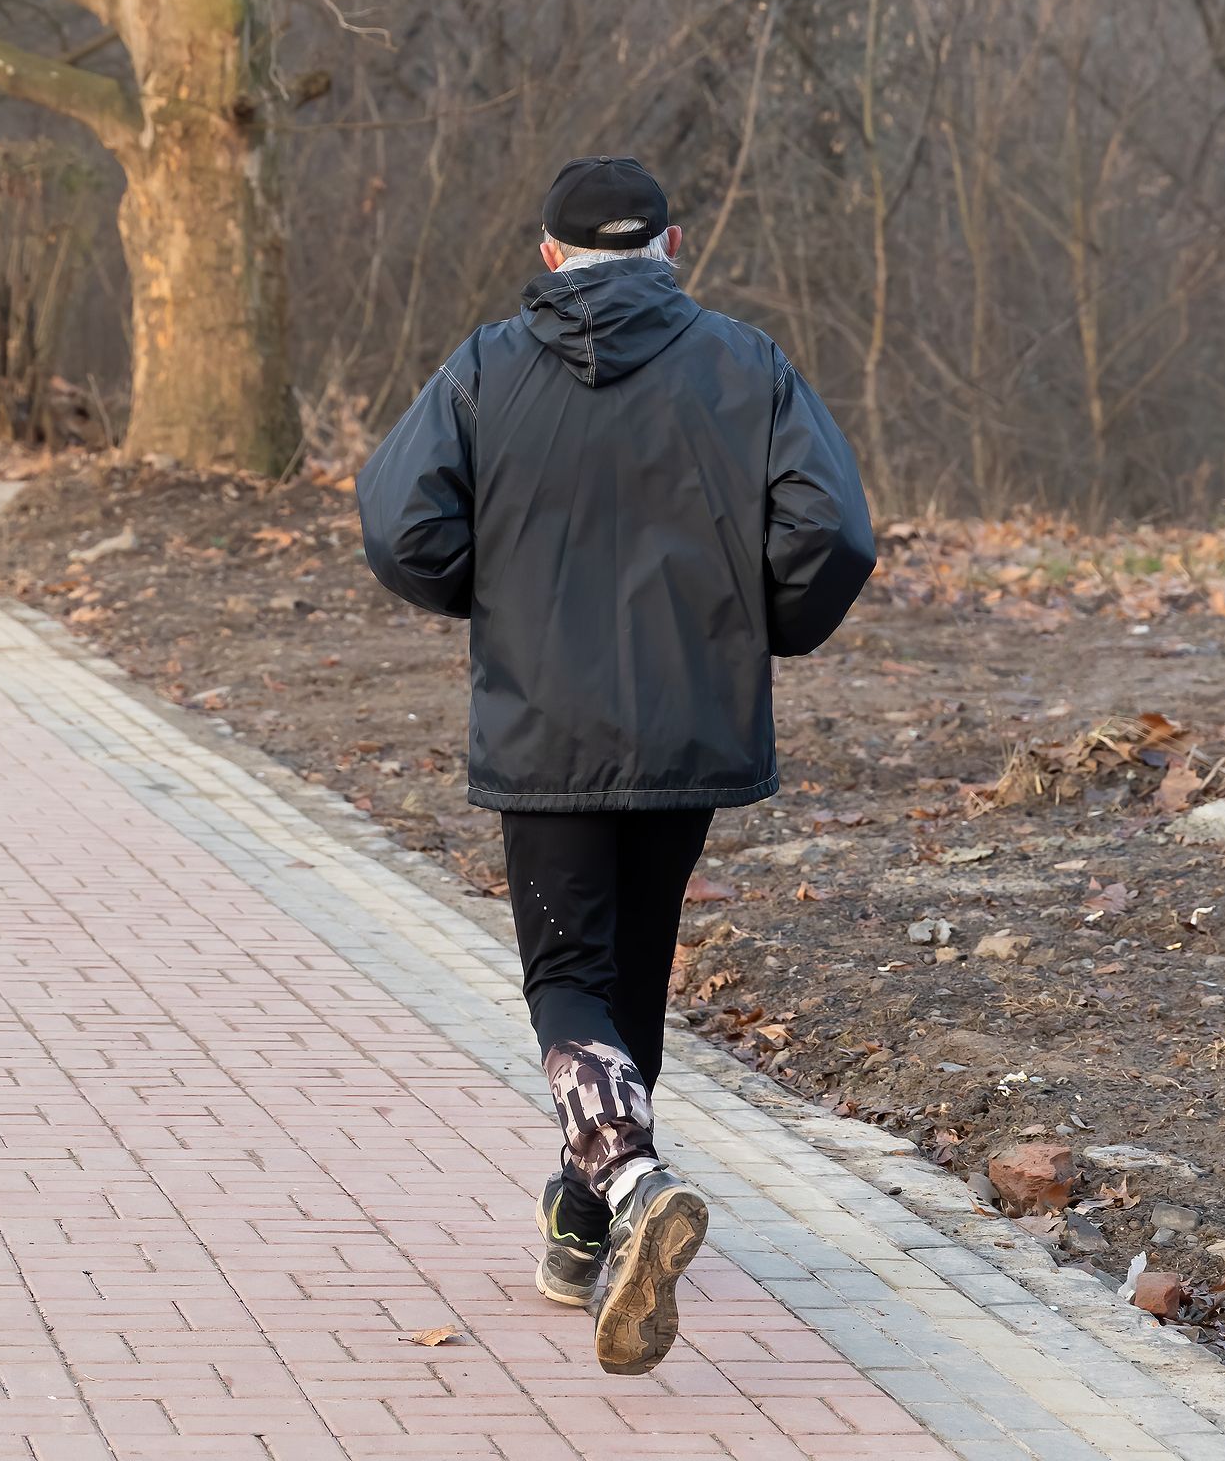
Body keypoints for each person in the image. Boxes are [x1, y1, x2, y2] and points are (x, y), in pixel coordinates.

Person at [357, 153, 874, 1377]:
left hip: (549, 727)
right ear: (672, 244)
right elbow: (833, 530)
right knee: (634, 959)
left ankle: (633, 1184)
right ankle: (583, 1225)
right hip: (690, 724)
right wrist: (763, 625)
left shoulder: (486, 367)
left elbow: (400, 523)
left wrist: (494, 598)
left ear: (549, 256)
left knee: (570, 979)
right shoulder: (748, 364)